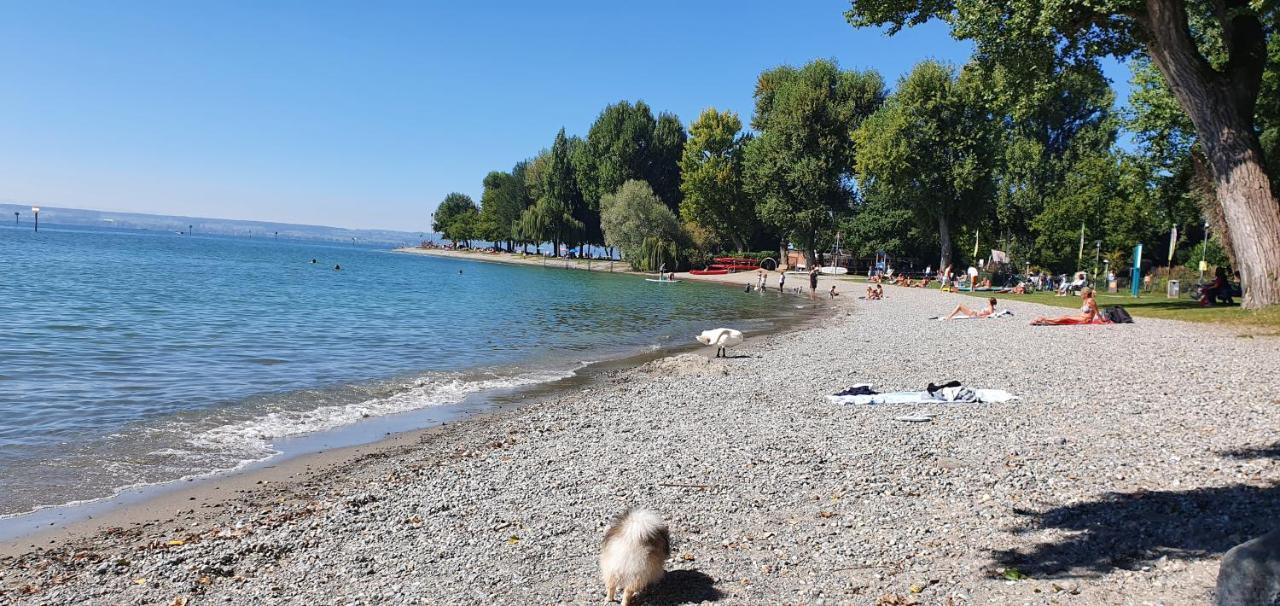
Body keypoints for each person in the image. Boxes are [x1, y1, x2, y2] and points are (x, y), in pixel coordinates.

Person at [1031, 287, 1109, 325]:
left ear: (1085, 294)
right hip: (1082, 318)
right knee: (1065, 318)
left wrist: (1101, 321)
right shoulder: (1085, 300)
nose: (1080, 295)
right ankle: (1045, 321)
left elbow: (1097, 312)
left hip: (1086, 320)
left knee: (1066, 318)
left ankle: (1044, 320)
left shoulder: (1091, 301)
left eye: (1081, 294)